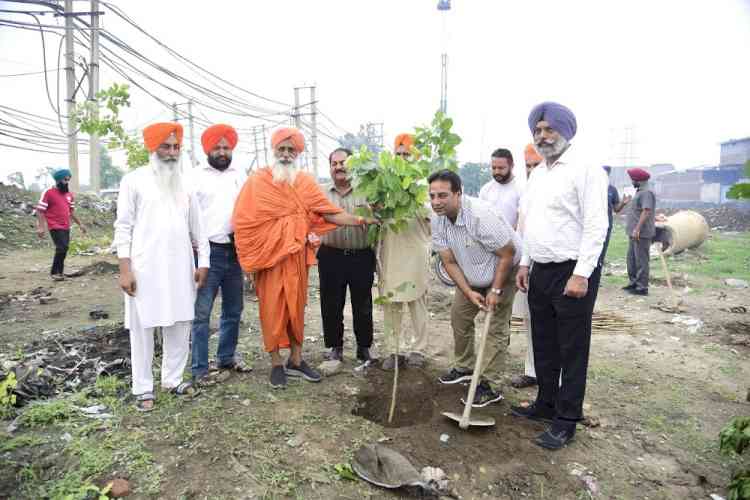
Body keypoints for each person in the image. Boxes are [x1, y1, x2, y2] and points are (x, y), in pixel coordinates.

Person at [232, 127, 373, 388]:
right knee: (271, 310)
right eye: (282, 149)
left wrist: (359, 219)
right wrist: (254, 256)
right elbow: (243, 222)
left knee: (295, 309)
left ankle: (296, 360)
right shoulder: (257, 182)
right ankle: (276, 363)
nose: (286, 154)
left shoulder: (305, 183)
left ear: (297, 153)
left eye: (291, 150)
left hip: (296, 257)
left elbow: (329, 213)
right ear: (273, 151)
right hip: (269, 259)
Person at [513, 102, 609, 450]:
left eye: (549, 129)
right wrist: (525, 263)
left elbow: (597, 225)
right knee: (543, 343)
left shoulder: (587, 170)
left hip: (572, 272)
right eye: (537, 130)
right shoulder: (539, 174)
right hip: (540, 269)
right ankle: (545, 404)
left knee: (571, 348)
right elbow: (532, 224)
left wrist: (582, 274)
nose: (542, 135)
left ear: (566, 131)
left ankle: (567, 419)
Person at [114, 122, 209, 411]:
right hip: (143, 268)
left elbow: (199, 230)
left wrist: (203, 262)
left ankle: (172, 379)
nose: (171, 152)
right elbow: (123, 227)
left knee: (181, 322)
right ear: (152, 148)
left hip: (180, 267)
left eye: (176, 147)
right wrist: (125, 268)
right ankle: (143, 388)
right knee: (142, 327)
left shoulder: (187, 183)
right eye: (165, 147)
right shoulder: (133, 180)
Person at [430, 170, 521, 407]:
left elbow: (508, 254)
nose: (436, 202)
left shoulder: (480, 216)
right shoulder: (437, 219)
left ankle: (490, 385)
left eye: (443, 195)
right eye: (432, 196)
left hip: (504, 269)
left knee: (495, 327)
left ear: (458, 194)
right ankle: (465, 367)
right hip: (471, 272)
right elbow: (448, 261)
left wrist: (496, 291)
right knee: (459, 317)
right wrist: (468, 292)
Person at [188, 124, 250, 386]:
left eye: (226, 147)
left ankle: (226, 357)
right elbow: (187, 217)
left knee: (234, 309)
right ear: (207, 149)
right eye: (217, 147)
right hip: (207, 253)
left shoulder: (241, 175)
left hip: (236, 251)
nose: (223, 152)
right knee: (201, 313)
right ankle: (200, 369)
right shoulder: (193, 177)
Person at [379, 133, 431, 370]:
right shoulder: (384, 186)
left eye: (406, 154)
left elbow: (432, 222)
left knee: (417, 301)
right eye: (398, 154)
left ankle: (419, 350)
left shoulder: (423, 187)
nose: (401, 158)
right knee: (391, 302)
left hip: (415, 251)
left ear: (415, 157)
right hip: (391, 251)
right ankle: (393, 350)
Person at [318, 147, 375, 362]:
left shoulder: (367, 191)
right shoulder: (320, 192)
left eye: (344, 163)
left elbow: (379, 217)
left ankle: (364, 347)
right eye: (335, 164)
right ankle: (335, 347)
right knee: (331, 304)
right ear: (330, 167)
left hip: (361, 255)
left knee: (363, 304)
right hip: (330, 255)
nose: (339, 167)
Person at [35, 168, 87, 281]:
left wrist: (80, 224)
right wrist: (40, 227)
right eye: (65, 179)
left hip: (66, 226)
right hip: (54, 226)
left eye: (68, 179)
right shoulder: (49, 193)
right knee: (61, 247)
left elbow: (71, 212)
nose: (67, 182)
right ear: (58, 180)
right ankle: (54, 272)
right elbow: (40, 210)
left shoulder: (69, 195)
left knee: (64, 248)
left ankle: (60, 272)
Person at [623, 168, 655, 296]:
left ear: (639, 180)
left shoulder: (646, 193)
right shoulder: (639, 192)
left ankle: (642, 287)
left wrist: (637, 228)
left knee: (641, 260)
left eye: (633, 180)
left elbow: (646, 211)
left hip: (641, 233)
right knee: (631, 259)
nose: (632, 182)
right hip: (633, 233)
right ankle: (634, 283)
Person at [479, 148, 523, 229]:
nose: (497, 172)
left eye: (501, 168)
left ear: (512, 166)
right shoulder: (485, 190)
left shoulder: (521, 189)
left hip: (514, 239)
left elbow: (522, 220)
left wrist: (509, 238)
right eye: (494, 168)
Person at [600, 165, 630, 263]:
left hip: (606, 224)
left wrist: (623, 203)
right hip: (592, 224)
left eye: (607, 174)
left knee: (602, 250)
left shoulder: (612, 189)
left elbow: (616, 209)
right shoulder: (591, 188)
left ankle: (598, 271)